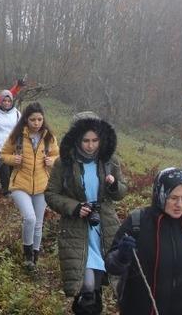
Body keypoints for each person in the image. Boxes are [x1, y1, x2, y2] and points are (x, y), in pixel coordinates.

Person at [106, 167, 182, 315]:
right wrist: (121, 256)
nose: (180, 204)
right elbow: (111, 266)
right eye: (173, 198)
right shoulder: (137, 223)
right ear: (160, 194)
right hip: (146, 309)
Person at [46, 111, 127, 315]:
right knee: (87, 285)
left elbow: (121, 192)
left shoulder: (109, 161)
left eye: (95, 140)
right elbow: (51, 194)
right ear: (76, 138)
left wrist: (114, 185)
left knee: (96, 286)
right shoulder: (63, 163)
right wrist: (74, 207)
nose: (91, 145)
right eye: (86, 141)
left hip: (103, 227)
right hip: (76, 230)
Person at [0, 102, 58, 271]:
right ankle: (27, 254)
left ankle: (34, 257)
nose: (37, 123)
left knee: (38, 224)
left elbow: (58, 156)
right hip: (20, 184)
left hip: (42, 185)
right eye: (33, 119)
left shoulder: (49, 137)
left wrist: (52, 161)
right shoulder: (17, 136)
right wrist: (13, 159)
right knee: (30, 218)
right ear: (26, 120)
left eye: (40, 119)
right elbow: (3, 154)